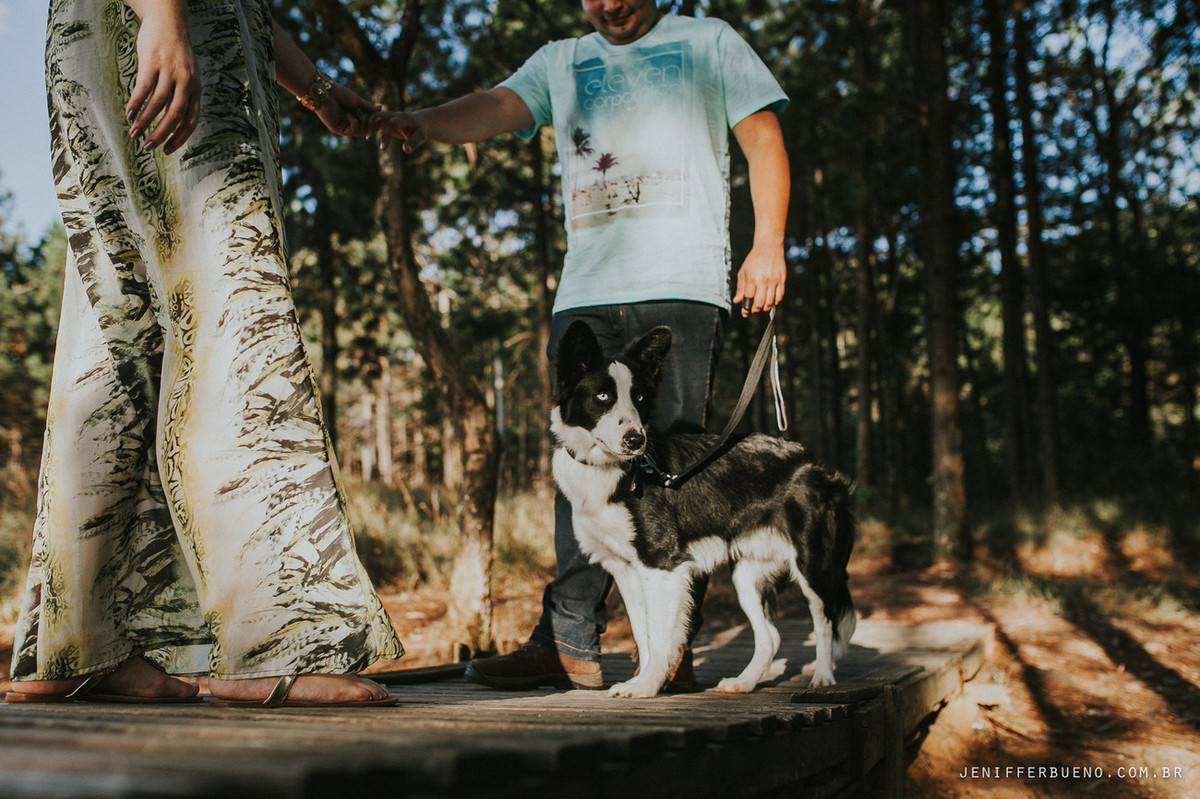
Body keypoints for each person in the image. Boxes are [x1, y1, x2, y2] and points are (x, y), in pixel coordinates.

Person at [375, 0, 789, 690]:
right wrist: (424, 121)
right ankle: (568, 639)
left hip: (679, 288)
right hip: (587, 294)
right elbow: (493, 105)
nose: (610, 5)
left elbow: (764, 138)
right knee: (580, 465)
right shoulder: (561, 60)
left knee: (670, 468)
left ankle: (671, 649)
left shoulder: (708, 41)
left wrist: (767, 243)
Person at [5, 0, 404, 707]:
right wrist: (163, 17)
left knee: (115, 332)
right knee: (232, 304)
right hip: (163, 24)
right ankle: (272, 639)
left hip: (116, 29)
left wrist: (314, 88)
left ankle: (77, 642)